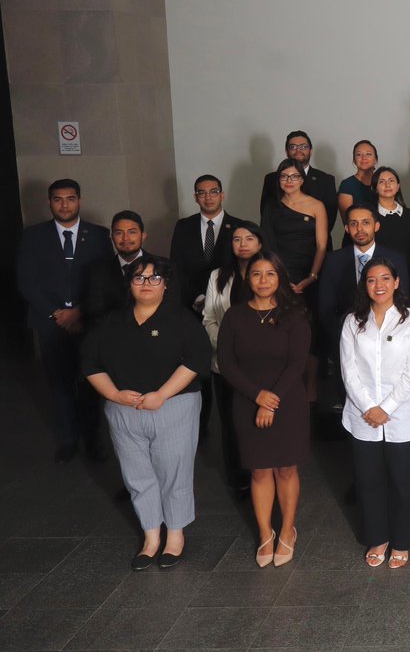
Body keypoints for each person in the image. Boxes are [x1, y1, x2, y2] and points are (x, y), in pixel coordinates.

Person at [81, 256, 210, 570]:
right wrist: (114, 394)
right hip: (123, 409)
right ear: (129, 284)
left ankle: (175, 535)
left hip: (173, 407)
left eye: (154, 278)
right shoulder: (110, 322)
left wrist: (162, 394)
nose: (147, 284)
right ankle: (151, 537)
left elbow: (197, 360)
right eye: (139, 278)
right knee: (137, 475)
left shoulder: (181, 320)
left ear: (165, 284)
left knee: (173, 473)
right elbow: (89, 363)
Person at [217, 252, 311, 568]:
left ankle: (287, 530)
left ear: (279, 278)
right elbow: (226, 363)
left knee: (285, 468)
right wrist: (258, 397)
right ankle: (264, 533)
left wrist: (272, 400)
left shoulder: (294, 314)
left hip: (288, 402)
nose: (263, 280)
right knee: (258, 470)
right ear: (248, 278)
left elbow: (297, 363)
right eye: (256, 274)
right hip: (247, 400)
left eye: (270, 274)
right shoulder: (234, 316)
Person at [340, 257, 410, 569]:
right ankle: (377, 538)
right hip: (362, 417)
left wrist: (385, 408)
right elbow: (348, 370)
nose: (379, 285)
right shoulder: (353, 321)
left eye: (385, 278)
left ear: (397, 282)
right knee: (369, 481)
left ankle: (402, 541)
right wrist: (369, 408)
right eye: (372, 279)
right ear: (365, 285)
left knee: (403, 483)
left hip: (403, 417)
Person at [17, 178, 111, 463]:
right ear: (50, 202)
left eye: (70, 198)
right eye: (58, 199)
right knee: (59, 385)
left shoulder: (98, 235)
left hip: (88, 321)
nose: (64, 204)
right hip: (50, 323)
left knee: (90, 383)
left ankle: (93, 441)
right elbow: (26, 281)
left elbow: (105, 280)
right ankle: (68, 441)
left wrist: (80, 311)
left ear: (79, 200)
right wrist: (56, 313)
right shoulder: (33, 236)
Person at [202, 222, 264, 493]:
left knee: (257, 420)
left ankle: (260, 474)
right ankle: (237, 479)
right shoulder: (217, 276)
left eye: (249, 238)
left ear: (260, 243)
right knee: (230, 420)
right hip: (225, 362)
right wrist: (227, 346)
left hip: (262, 363)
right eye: (237, 239)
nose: (243, 244)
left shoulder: (269, 273)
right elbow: (209, 318)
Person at [318, 204, 410, 350]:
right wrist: (343, 338)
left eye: (366, 223)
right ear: (347, 228)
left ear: (376, 226)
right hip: (345, 342)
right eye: (354, 224)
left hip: (388, 343)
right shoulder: (333, 260)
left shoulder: (396, 259)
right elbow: (325, 308)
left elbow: (402, 301)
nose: (360, 229)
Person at [261, 158, 329, 310]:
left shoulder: (317, 205)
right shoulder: (271, 206)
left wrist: (311, 277)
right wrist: (280, 275)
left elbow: (321, 246)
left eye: (294, 176)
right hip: (278, 271)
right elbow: (267, 243)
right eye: (284, 176)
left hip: (309, 270)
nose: (289, 180)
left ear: (302, 180)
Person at [171, 175, 243, 316]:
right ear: (195, 197)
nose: (208, 197)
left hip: (230, 304)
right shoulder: (183, 226)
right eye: (202, 193)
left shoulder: (238, 226)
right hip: (191, 306)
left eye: (214, 192)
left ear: (222, 195)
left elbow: (242, 267)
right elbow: (176, 267)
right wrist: (198, 298)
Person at [258, 130, 337, 246]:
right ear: (286, 151)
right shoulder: (272, 178)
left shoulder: (325, 179)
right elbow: (266, 216)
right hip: (280, 248)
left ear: (311, 150)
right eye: (293, 147)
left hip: (316, 247)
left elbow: (329, 219)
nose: (298, 150)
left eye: (303, 146)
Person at [86, 210, 160, 323]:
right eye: (119, 233)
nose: (126, 238)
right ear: (112, 237)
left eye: (132, 232)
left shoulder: (162, 266)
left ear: (143, 236)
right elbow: (95, 313)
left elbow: (171, 308)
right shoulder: (98, 271)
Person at [371, 166, 410, 273]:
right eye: (382, 182)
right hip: (379, 275)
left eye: (391, 181)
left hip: (409, 275)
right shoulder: (369, 217)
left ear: (398, 186)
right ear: (375, 188)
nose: (387, 184)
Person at [336, 140, 378, 247]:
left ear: (376, 159)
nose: (364, 158)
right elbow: (349, 220)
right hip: (355, 241)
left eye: (368, 154)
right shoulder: (347, 185)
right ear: (354, 160)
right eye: (359, 155)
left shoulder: (383, 183)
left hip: (381, 240)